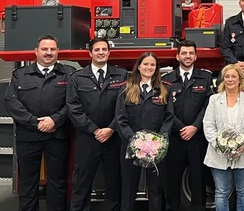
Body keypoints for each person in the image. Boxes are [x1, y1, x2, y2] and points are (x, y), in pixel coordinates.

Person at [4, 35, 76, 211]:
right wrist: (34, 122)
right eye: (44, 49)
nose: (49, 53)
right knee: (28, 183)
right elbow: (11, 103)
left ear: (58, 51)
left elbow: (73, 103)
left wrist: (55, 120)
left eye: (52, 49)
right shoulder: (20, 75)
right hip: (28, 136)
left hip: (57, 135)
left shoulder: (69, 73)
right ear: (36, 51)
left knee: (58, 182)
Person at [67, 37, 128, 211]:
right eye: (97, 50)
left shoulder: (121, 75)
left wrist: (111, 128)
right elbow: (73, 108)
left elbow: (125, 106)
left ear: (109, 52)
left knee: (114, 182)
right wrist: (94, 129)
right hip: (87, 138)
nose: (100, 53)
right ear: (90, 53)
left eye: (104, 50)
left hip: (114, 137)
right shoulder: (77, 78)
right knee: (82, 181)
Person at [115, 52, 175, 211]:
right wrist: (135, 141)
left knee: (155, 191)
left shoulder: (164, 90)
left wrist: (159, 142)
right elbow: (121, 119)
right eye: (146, 64)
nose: (149, 67)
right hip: (131, 148)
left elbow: (169, 118)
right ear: (139, 66)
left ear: (156, 68)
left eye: (152, 65)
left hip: (156, 150)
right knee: (128, 190)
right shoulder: (126, 89)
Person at [163, 40, 214, 211]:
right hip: (175, 137)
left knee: (198, 180)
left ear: (195, 56)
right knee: (173, 180)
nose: (187, 56)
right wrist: (180, 127)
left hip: (197, 137)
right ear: (177, 56)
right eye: (184, 53)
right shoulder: (167, 80)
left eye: (191, 53)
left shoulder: (205, 77)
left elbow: (208, 105)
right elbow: (165, 107)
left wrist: (195, 127)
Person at [203, 64, 244, 211]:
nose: (230, 79)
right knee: (221, 192)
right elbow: (208, 125)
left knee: (243, 191)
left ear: (240, 79)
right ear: (223, 79)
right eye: (227, 76)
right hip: (219, 154)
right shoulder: (214, 100)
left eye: (233, 76)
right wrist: (220, 146)